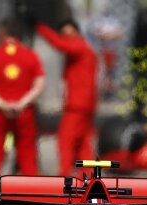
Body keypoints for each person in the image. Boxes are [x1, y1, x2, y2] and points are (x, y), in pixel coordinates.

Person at [0, 17, 46, 205]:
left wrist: (1, 103)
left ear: (2, 34)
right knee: (27, 158)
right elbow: (40, 84)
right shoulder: (30, 56)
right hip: (24, 113)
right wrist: (22, 103)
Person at [35, 19, 98, 177]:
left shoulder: (79, 46)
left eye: (69, 33)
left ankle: (64, 175)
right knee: (83, 143)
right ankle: (88, 175)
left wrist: (40, 26)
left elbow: (59, 44)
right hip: (85, 103)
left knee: (66, 139)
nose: (66, 37)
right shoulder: (84, 49)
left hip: (77, 103)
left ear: (76, 32)